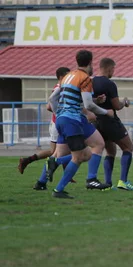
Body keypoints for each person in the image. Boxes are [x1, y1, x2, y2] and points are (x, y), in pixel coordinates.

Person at [47, 50, 114, 199]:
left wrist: (60, 114)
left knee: (89, 152)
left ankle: (57, 162)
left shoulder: (67, 76)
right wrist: (105, 112)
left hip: (63, 120)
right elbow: (88, 105)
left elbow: (52, 99)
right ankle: (60, 190)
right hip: (72, 120)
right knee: (78, 157)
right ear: (90, 62)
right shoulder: (85, 78)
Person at [17, 67, 70, 190]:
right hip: (58, 124)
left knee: (59, 151)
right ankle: (37, 175)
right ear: (62, 77)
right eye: (68, 76)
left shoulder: (61, 87)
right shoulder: (59, 88)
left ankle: (30, 165)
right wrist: (61, 112)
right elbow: (48, 106)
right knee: (56, 152)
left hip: (57, 123)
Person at [92, 57, 133, 190]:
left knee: (110, 151)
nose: (114, 71)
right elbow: (116, 106)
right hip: (110, 121)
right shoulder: (109, 84)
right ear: (109, 68)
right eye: (113, 69)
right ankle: (123, 181)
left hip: (97, 121)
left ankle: (108, 183)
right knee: (128, 148)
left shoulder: (91, 82)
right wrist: (125, 102)